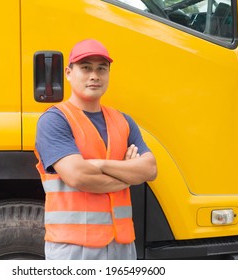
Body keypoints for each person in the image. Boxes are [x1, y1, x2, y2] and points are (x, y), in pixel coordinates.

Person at [35, 39, 157, 260]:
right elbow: (78, 175)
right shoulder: (55, 120)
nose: (94, 75)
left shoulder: (123, 120)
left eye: (102, 68)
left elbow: (150, 169)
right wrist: (128, 175)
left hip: (122, 245)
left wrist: (100, 165)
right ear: (69, 73)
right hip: (73, 248)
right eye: (86, 68)